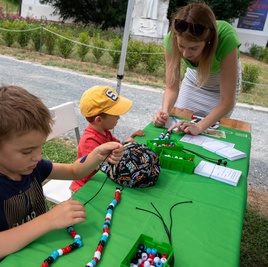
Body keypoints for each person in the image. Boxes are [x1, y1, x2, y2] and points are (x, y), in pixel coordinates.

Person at [0, 85, 124, 267]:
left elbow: (74, 171)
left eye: (40, 147)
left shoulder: (31, 166)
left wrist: (97, 154)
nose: (37, 157)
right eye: (27, 151)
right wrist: (48, 221)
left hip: (41, 254)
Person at [152, 3, 242, 135]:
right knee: (180, 129)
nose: (185, 54)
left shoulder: (226, 38)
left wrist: (199, 127)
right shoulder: (171, 40)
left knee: (208, 134)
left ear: (208, 41)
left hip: (221, 86)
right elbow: (171, 88)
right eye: (181, 46)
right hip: (194, 80)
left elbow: (227, 101)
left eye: (194, 48)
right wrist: (164, 112)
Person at [70, 85, 145, 192]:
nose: (119, 117)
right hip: (85, 187)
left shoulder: (104, 132)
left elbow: (116, 145)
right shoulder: (90, 140)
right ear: (99, 120)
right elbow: (95, 166)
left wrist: (126, 142)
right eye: (115, 115)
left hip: (101, 180)